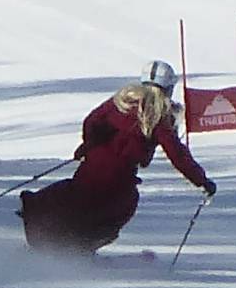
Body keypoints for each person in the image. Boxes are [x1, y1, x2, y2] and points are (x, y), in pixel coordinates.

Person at [19, 60, 216, 255]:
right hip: (119, 179)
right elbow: (177, 154)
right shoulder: (158, 116)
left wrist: (90, 143)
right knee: (114, 210)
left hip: (91, 168)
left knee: (75, 199)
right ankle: (78, 249)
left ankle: (47, 237)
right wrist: (202, 181)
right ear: (169, 88)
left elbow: (92, 120)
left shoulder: (122, 101)